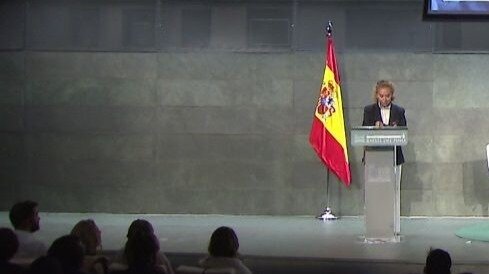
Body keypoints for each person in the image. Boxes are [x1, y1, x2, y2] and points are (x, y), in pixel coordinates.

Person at [362, 80, 407, 235]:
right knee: (375, 193)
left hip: (394, 158)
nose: (385, 99)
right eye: (381, 96)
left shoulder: (399, 111)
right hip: (375, 157)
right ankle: (375, 226)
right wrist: (374, 129)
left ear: (392, 96)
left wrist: (395, 130)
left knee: (394, 193)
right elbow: (364, 133)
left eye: (387, 96)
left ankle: (395, 228)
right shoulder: (368, 110)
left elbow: (404, 133)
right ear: (377, 96)